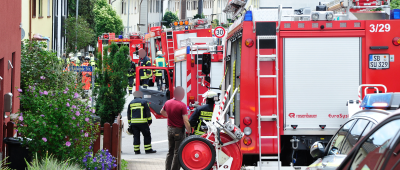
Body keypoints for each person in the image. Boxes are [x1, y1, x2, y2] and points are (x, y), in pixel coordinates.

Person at [160, 86, 192, 170]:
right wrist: (189, 131)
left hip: (170, 129)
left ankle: (167, 168)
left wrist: (169, 116)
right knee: (177, 152)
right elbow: (185, 121)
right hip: (178, 130)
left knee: (170, 151)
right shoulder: (182, 105)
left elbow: (161, 112)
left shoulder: (167, 102)